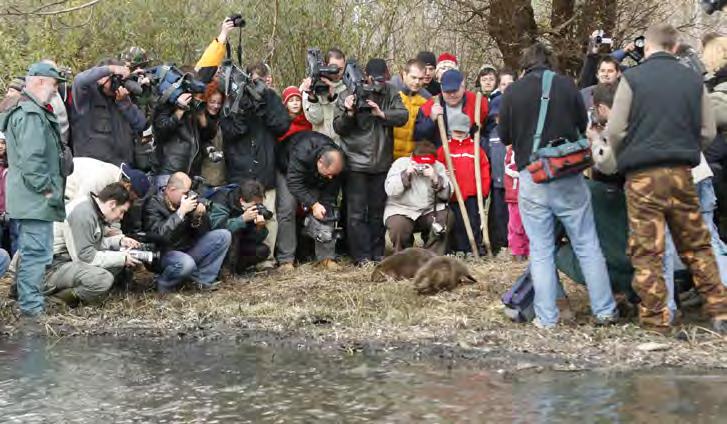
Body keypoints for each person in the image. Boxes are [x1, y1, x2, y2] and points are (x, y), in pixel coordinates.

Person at [608, 24, 727, 332]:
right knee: (697, 244)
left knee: (647, 250)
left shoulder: (632, 79)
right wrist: (686, 151)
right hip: (682, 173)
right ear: (675, 48)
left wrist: (628, 159)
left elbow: (616, 130)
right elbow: (708, 131)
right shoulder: (693, 79)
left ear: (647, 48)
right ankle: (719, 311)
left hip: (642, 176)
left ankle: (656, 318)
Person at [499, 42, 618, 328]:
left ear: (525, 64)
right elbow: (581, 124)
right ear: (550, 62)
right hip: (567, 174)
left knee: (540, 249)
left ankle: (547, 318)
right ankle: (604, 311)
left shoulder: (513, 91)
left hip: (532, 175)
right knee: (587, 244)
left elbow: (504, 137)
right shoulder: (566, 86)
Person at [0, 62, 69, 317]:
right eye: (53, 85)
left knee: (33, 250)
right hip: (35, 197)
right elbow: (33, 161)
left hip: (31, 197)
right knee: (36, 253)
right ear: (39, 81)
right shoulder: (30, 114)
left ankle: (26, 298)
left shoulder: (30, 110)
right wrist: (48, 191)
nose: (55, 91)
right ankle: (31, 309)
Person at [333, 58, 408, 265]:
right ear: (365, 76)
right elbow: (338, 127)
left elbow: (403, 115)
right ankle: (361, 256)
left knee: (377, 211)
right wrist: (349, 112)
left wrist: (381, 113)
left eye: (381, 80)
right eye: (374, 80)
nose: (377, 85)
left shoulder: (391, 92)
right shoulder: (347, 94)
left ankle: (377, 253)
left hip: (381, 161)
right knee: (356, 213)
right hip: (355, 162)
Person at [47, 183, 142, 306]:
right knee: (102, 279)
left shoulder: (92, 208)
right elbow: (85, 258)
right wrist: (122, 258)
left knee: (116, 262)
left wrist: (119, 241)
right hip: (51, 267)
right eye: (121, 211)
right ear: (112, 204)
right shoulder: (83, 214)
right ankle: (56, 300)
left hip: (63, 262)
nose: (121, 217)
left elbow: (91, 243)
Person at [142, 172, 231, 292]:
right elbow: (158, 235)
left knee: (223, 235)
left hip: (186, 249)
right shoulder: (153, 204)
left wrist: (197, 217)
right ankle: (163, 285)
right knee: (186, 263)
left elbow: (204, 233)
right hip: (163, 254)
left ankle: (201, 281)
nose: (188, 195)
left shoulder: (185, 202)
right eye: (185, 192)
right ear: (172, 189)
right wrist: (180, 213)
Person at [278, 132, 345, 270]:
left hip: (314, 177)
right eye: (329, 174)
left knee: (327, 210)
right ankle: (286, 260)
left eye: (334, 175)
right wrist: (313, 204)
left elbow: (330, 194)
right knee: (287, 208)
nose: (331, 178)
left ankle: (326, 257)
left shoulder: (335, 165)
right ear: (320, 161)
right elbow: (294, 183)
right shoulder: (301, 152)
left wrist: (322, 206)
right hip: (287, 172)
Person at [70, 59, 147, 167]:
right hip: (93, 168)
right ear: (101, 78)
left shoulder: (123, 96)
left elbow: (141, 124)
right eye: (115, 78)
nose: (118, 83)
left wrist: (124, 104)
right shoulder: (86, 96)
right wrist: (111, 69)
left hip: (121, 167)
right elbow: (79, 80)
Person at [437, 113, 490, 255]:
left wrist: (484, 191)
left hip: (472, 195)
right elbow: (437, 169)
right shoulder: (444, 149)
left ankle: (472, 248)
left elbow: (484, 169)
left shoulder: (476, 149)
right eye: (456, 131)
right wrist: (443, 174)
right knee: (457, 223)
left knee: (473, 222)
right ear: (450, 131)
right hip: (453, 195)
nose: (459, 134)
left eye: (462, 131)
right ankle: (457, 249)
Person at [385, 141, 451, 254]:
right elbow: (390, 190)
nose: (422, 167)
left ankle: (431, 256)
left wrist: (436, 179)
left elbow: (447, 195)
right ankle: (404, 256)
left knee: (446, 217)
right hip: (402, 209)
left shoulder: (438, 166)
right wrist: (405, 175)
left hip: (429, 210)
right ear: (412, 157)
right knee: (398, 227)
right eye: (420, 163)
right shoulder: (400, 163)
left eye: (427, 163)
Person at [208, 180, 271, 274]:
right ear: (242, 200)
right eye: (255, 205)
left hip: (239, 245)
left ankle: (237, 270)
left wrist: (259, 227)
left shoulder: (250, 204)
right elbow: (217, 229)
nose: (256, 207)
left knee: (262, 251)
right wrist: (242, 219)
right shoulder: (221, 199)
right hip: (216, 247)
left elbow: (254, 239)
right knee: (233, 234)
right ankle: (225, 272)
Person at [414, 69, 488, 147]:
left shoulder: (478, 102)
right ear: (442, 89)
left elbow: (490, 131)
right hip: (441, 153)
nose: (452, 95)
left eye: (455, 90)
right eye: (448, 91)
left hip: (470, 152)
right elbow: (418, 136)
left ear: (463, 87)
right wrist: (431, 119)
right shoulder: (429, 107)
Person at [301, 48, 348, 143]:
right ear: (325, 66)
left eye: (340, 69)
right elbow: (316, 120)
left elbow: (346, 122)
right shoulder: (310, 85)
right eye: (333, 68)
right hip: (321, 145)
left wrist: (333, 98)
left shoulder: (347, 87)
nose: (337, 72)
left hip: (342, 144)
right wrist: (312, 97)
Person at [392, 60, 431, 160]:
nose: (417, 82)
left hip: (413, 160)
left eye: (421, 79)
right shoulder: (391, 94)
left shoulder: (427, 100)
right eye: (413, 77)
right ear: (404, 75)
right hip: (388, 159)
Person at [484, 97, 509, 256]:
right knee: (498, 214)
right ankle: (498, 245)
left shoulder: (516, 131)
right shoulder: (492, 133)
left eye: (502, 115)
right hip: (497, 182)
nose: (499, 119)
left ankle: (514, 243)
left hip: (514, 182)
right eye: (496, 116)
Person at [64, 158, 150, 203]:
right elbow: (80, 204)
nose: (130, 201)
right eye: (132, 198)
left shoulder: (115, 181)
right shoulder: (103, 177)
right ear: (128, 186)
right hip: (64, 187)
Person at [198, 80, 226, 187]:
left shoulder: (223, 119)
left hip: (223, 175)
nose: (215, 106)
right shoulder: (199, 119)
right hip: (204, 177)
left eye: (219, 103)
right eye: (212, 102)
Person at [504, 145, 528, 260]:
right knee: (516, 224)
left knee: (529, 224)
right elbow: (509, 168)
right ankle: (517, 251)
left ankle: (528, 251)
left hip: (530, 195)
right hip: (515, 195)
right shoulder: (512, 151)